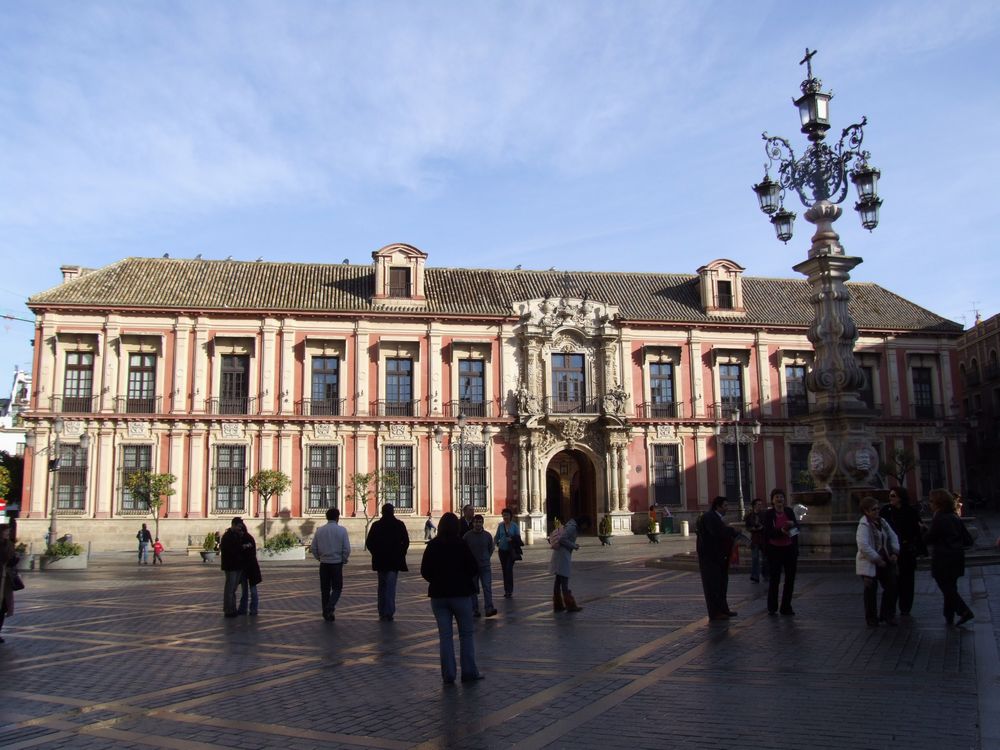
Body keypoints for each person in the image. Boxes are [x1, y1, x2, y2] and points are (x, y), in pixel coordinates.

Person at [420, 512, 484, 684]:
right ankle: (469, 672)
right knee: (466, 634)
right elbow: (473, 568)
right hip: (461, 595)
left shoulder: (432, 545)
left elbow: (424, 571)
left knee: (445, 636)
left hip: (439, 596)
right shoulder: (461, 544)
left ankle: (448, 674)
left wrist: (436, 580)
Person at [923, 488, 974, 627]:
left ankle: (964, 611)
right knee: (951, 586)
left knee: (946, 588)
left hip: (943, 558)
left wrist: (923, 531)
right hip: (957, 557)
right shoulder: (954, 516)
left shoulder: (939, 517)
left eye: (932, 501)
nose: (930, 504)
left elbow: (930, 538)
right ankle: (949, 616)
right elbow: (968, 539)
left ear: (939, 503)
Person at [856, 496, 900, 627]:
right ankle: (871, 618)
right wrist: (876, 559)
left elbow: (893, 536)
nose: (877, 511)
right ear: (866, 511)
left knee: (892, 587)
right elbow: (863, 545)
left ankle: (887, 615)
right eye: (873, 509)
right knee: (870, 591)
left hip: (885, 559)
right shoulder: (863, 525)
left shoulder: (882, 522)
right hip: (870, 562)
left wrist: (895, 552)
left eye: (877, 508)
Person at [879, 487, 923, 616]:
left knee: (908, 580)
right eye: (890, 496)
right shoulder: (886, 511)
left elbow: (916, 529)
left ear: (900, 497)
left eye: (893, 496)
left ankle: (905, 607)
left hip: (907, 550)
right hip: (892, 551)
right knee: (892, 581)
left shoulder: (910, 511)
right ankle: (889, 609)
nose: (890, 498)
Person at [696, 496, 740, 621]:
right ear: (718, 506)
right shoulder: (709, 517)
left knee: (721, 585)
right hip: (710, 559)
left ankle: (723, 609)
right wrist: (732, 530)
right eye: (725, 506)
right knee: (713, 586)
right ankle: (715, 613)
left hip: (719, 557)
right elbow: (717, 533)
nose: (727, 508)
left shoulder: (715, 518)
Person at [365, 503, 410, 621]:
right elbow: (406, 541)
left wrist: (376, 553)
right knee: (390, 587)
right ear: (393, 512)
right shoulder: (399, 525)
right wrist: (401, 553)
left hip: (380, 561)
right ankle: (388, 612)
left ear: (382, 512)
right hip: (394, 561)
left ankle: (381, 610)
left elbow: (369, 542)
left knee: (382, 586)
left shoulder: (376, 525)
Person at [310, 506, 351, 621]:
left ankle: (326, 612)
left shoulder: (320, 530)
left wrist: (319, 557)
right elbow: (346, 549)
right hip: (337, 563)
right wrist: (343, 559)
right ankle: (330, 607)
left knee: (325, 590)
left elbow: (313, 548)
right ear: (337, 518)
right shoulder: (342, 530)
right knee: (337, 588)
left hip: (324, 563)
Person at [763, 488, 799, 616]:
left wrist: (792, 527)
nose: (780, 499)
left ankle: (786, 607)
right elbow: (768, 533)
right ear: (772, 500)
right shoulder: (769, 514)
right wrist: (780, 532)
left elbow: (797, 528)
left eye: (781, 497)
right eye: (777, 497)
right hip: (775, 550)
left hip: (789, 549)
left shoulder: (789, 511)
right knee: (775, 579)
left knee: (790, 579)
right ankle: (772, 607)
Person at [463, 514, 497, 617]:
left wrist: (486, 557)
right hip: (472, 567)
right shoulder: (467, 536)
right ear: (473, 523)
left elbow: (491, 548)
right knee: (473, 589)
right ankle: (474, 609)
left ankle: (489, 608)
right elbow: (464, 549)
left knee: (487, 587)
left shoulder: (487, 535)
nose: (477, 524)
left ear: (482, 523)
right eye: (476, 522)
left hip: (485, 566)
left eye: (479, 522)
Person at [549, 517, 583, 612]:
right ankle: (570, 604)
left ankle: (558, 604)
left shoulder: (569, 525)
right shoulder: (572, 527)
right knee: (564, 579)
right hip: (563, 555)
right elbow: (562, 539)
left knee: (558, 580)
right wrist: (574, 546)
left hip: (560, 554)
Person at [219, 517, 246, 618]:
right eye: (239, 526)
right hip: (230, 566)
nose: (240, 528)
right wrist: (241, 546)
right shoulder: (227, 536)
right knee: (230, 589)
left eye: (241, 527)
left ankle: (233, 608)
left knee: (233, 589)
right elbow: (231, 550)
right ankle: (228, 610)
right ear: (233, 525)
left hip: (237, 565)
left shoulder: (237, 535)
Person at [494, 508, 522, 598]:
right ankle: (506, 590)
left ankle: (510, 590)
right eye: (504, 515)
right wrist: (493, 545)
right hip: (502, 551)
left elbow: (518, 538)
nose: (505, 517)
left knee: (508, 569)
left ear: (510, 516)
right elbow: (496, 536)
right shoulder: (500, 526)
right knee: (504, 571)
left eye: (507, 515)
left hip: (511, 551)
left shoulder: (514, 526)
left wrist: (512, 538)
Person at [237, 523, 261, 616]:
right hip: (245, 568)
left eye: (240, 531)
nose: (239, 533)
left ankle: (253, 609)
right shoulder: (241, 538)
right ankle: (244, 609)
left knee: (253, 590)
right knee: (245, 591)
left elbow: (250, 553)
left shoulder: (248, 538)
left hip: (251, 568)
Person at [743, 498, 766, 583]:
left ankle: (766, 574)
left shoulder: (764, 515)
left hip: (763, 538)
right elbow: (747, 527)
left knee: (765, 558)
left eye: (761, 504)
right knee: (755, 558)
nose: (760, 506)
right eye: (758, 504)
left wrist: (762, 527)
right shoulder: (749, 516)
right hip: (755, 539)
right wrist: (751, 528)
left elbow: (768, 525)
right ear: (754, 506)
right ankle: (755, 576)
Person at [0, 524, 15, 644]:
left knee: (3, 607)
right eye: (5, 532)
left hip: (5, 580)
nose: (7, 534)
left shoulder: (9, 544)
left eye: (8, 532)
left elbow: (11, 558)